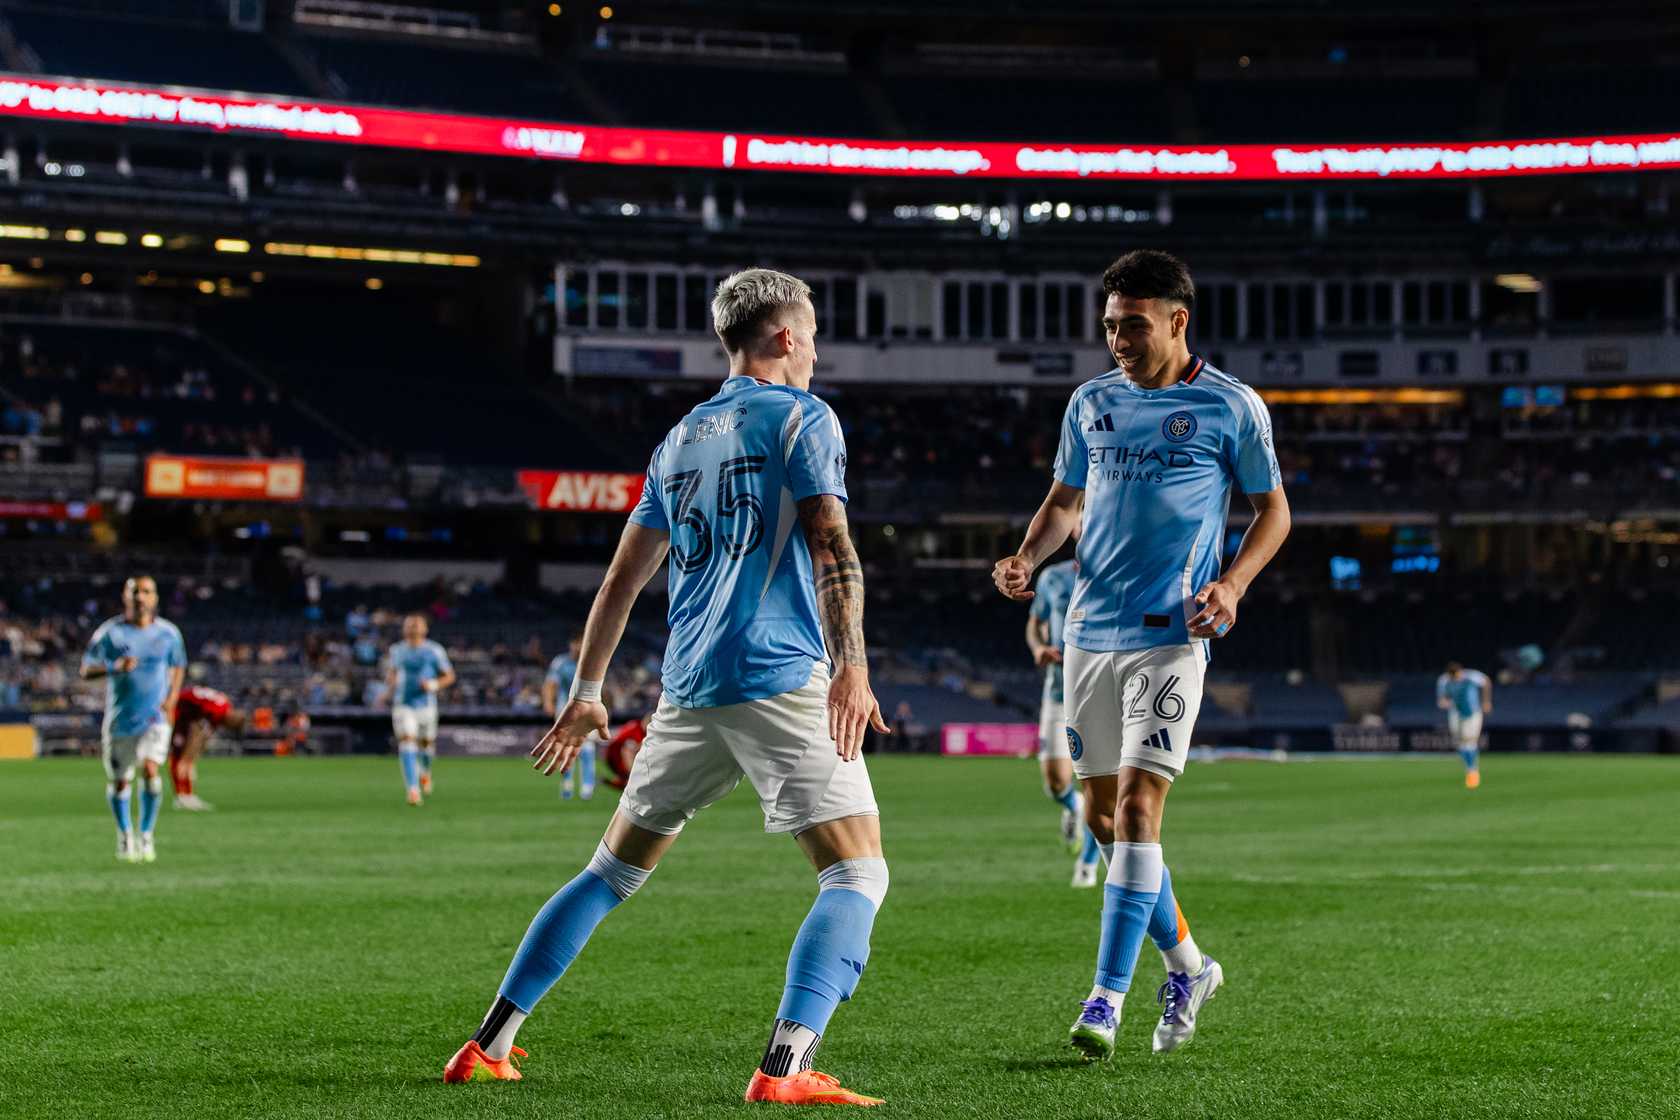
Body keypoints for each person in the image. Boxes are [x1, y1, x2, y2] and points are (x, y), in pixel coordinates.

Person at [444, 268, 891, 1107]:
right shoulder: (804, 417)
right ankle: (784, 1069)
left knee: (609, 873)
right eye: (813, 334)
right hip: (776, 674)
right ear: (786, 336)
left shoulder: (678, 439)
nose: (816, 350)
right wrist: (853, 667)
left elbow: (621, 580)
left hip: (687, 687)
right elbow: (832, 545)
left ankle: (488, 1044)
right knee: (855, 875)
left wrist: (588, 689)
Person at [992, 250, 1291, 1060]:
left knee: (1135, 812)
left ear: (1176, 320)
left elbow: (1273, 511)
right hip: (1088, 633)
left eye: (1133, 325)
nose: (1118, 340)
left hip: (1172, 634)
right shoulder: (1091, 402)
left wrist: (1233, 584)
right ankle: (1189, 966)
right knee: (1102, 820)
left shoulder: (1230, 405)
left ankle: (1106, 999)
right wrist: (1028, 557)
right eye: (1109, 326)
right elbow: (1063, 502)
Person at [80, 576, 186, 862]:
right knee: (120, 781)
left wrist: (173, 697)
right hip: (121, 719)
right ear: (125, 597)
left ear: (155, 598)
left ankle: (147, 834)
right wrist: (114, 667)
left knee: (151, 769)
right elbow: (85, 670)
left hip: (155, 718)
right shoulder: (111, 633)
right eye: (135, 591)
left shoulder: (169, 633)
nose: (140, 597)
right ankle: (125, 834)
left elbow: (178, 665)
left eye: (146, 592)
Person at [1027, 549, 1103, 887]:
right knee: (1056, 782)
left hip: (1104, 691)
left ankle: (1087, 865)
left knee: (1102, 786)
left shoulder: (1120, 570)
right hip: (1058, 692)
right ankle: (1074, 805)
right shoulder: (1053, 578)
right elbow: (1035, 624)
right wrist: (1038, 648)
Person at [385, 614, 455, 805]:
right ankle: (413, 790)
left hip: (426, 706)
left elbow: (449, 676)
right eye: (409, 625)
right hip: (403, 704)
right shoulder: (397, 650)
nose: (413, 627)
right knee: (407, 740)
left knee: (426, 747)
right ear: (404, 629)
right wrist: (389, 685)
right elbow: (392, 674)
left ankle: (425, 771)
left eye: (417, 624)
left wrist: (433, 685)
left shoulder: (434, 650)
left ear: (425, 629)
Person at [169, 682, 245, 810]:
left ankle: (188, 795)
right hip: (178, 709)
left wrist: (194, 753)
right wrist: (190, 754)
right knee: (179, 758)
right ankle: (181, 796)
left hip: (186, 713)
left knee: (188, 760)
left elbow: (203, 734)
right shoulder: (217, 711)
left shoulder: (224, 706)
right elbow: (198, 732)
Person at [543, 635, 597, 800]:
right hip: (564, 710)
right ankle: (567, 783)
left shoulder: (592, 661)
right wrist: (548, 703)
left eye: (580, 643)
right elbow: (550, 683)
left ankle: (587, 785)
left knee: (586, 746)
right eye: (575, 643)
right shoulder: (560, 662)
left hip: (587, 710)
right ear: (571, 644)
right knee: (565, 747)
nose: (577, 647)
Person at [1436, 661, 1492, 789]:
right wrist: (1445, 702)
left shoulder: (1471, 676)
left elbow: (1486, 682)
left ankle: (1472, 770)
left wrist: (1486, 701)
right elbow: (1442, 699)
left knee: (1469, 740)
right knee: (1459, 742)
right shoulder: (1444, 680)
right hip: (1456, 713)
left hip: (1472, 713)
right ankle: (1469, 768)